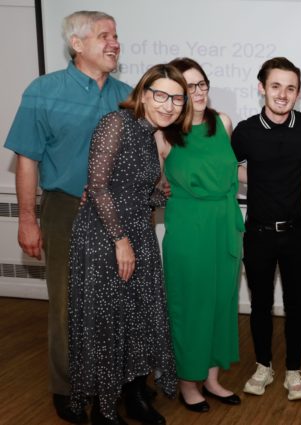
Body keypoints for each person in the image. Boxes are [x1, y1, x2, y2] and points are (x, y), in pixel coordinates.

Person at [3, 11, 131, 424]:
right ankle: (68, 387)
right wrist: (27, 219)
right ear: (77, 44)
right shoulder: (43, 91)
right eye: (104, 36)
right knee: (66, 305)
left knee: (115, 304)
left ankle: (110, 384)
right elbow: (26, 159)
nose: (114, 43)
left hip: (117, 214)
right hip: (64, 209)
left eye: (115, 36)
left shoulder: (128, 95)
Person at [67, 64, 192, 425]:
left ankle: (135, 398)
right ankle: (103, 410)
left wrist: (158, 193)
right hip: (107, 237)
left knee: (139, 318)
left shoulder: (152, 134)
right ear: (143, 93)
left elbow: (130, 188)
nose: (169, 105)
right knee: (106, 322)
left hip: (139, 232)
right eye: (161, 95)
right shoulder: (116, 122)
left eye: (177, 99)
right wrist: (120, 240)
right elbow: (99, 184)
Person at [231, 57, 301, 401]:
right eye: (275, 86)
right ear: (261, 88)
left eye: (290, 87)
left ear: (298, 92)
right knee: (260, 305)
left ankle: (294, 371)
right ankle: (263, 366)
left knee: (296, 306)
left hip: (298, 233)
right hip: (258, 233)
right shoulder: (246, 130)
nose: (283, 94)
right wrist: (259, 180)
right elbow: (227, 169)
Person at [159, 57, 244, 412]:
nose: (198, 92)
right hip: (188, 229)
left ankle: (211, 379)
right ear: (176, 92)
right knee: (190, 307)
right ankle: (187, 382)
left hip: (224, 225)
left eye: (202, 84)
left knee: (222, 305)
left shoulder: (222, 122)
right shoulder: (163, 133)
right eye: (189, 87)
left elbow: (233, 173)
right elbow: (154, 184)